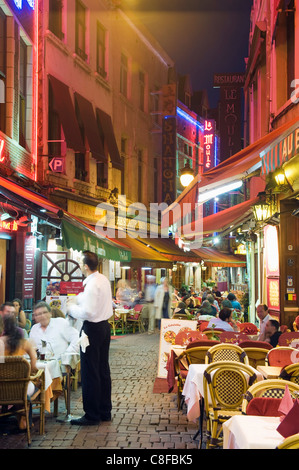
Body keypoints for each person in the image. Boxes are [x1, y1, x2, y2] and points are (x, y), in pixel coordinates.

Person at [66, 251, 112, 426]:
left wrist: (71, 309)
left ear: (85, 266)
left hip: (92, 329)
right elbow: (88, 301)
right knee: (102, 370)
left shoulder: (92, 284)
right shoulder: (103, 280)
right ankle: (104, 410)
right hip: (104, 327)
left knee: (90, 371)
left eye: (80, 261)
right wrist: (76, 300)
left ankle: (92, 414)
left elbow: (88, 312)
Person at [0, 314, 38, 429]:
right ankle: (24, 417)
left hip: (1, 387)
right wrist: (31, 372)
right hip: (22, 388)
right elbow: (34, 362)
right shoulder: (24, 343)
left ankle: (18, 415)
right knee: (32, 385)